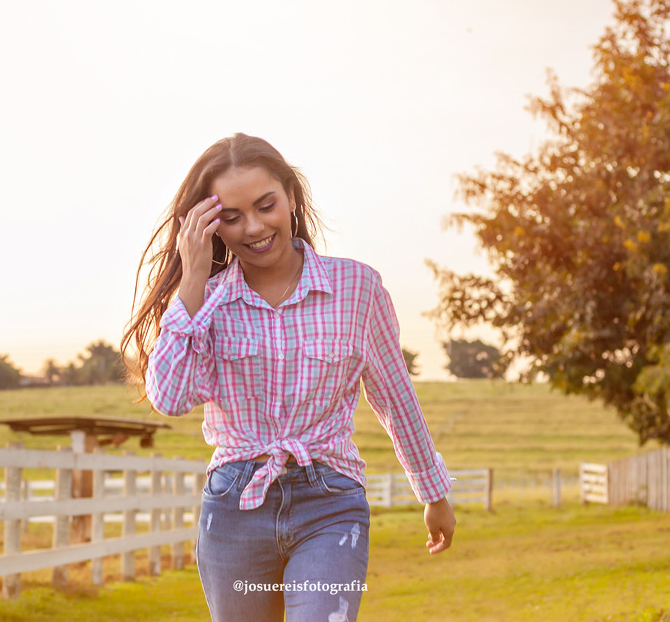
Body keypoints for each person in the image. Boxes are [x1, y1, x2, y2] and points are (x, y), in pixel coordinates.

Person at [123, 133, 455, 622]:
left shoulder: (357, 288)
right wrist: (191, 281)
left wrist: (434, 493)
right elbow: (169, 397)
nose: (253, 227)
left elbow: (394, 397)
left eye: (265, 205)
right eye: (231, 217)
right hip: (234, 507)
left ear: (291, 198)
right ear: (210, 226)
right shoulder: (206, 304)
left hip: (330, 502)